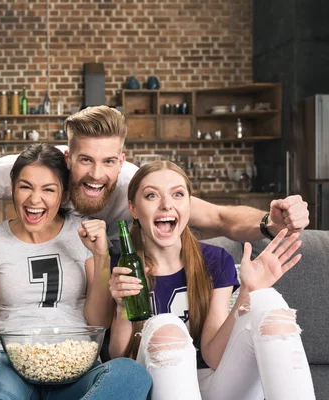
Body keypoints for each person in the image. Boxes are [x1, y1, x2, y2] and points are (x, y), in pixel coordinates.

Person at [0, 106, 310, 256]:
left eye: (107, 162)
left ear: (121, 158)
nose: (96, 174)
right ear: (67, 154)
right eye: (84, 160)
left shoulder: (131, 183)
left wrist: (270, 222)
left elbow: (221, 217)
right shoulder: (42, 171)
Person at [0, 143, 152, 400]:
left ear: (64, 194)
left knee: (132, 374)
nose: (35, 200)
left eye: (48, 189)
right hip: (12, 365)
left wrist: (101, 255)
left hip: (77, 363)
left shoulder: (82, 233)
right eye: (25, 187)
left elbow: (99, 322)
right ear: (12, 188)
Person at [107, 160, 315, 400]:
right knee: (166, 327)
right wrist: (123, 305)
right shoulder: (121, 267)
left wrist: (249, 290)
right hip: (156, 384)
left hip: (213, 383)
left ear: (188, 205)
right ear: (133, 208)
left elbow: (214, 355)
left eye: (177, 194)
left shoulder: (215, 260)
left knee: (266, 299)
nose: (166, 205)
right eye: (152, 195)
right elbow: (120, 359)